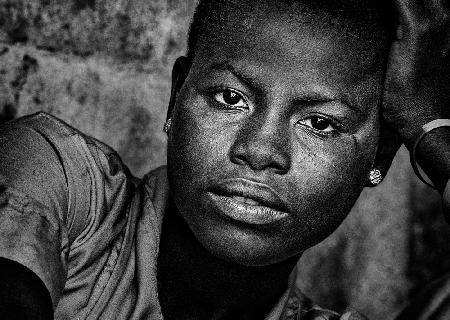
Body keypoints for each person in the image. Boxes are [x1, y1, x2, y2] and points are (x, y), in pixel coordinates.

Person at [0, 0, 449, 319]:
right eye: (230, 97)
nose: (259, 151)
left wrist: (430, 129)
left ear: (381, 157)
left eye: (320, 124)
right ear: (176, 99)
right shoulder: (58, 179)